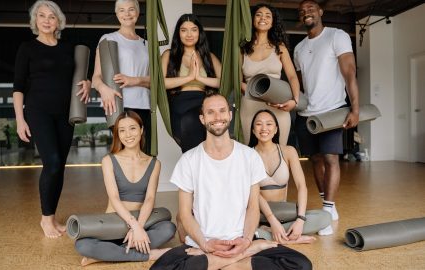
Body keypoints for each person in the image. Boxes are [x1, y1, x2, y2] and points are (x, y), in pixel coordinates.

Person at [151, 92, 312, 270]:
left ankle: (218, 262)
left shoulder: (249, 156)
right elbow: (184, 214)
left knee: (302, 264)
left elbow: (252, 206)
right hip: (202, 242)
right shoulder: (189, 160)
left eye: (222, 111)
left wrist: (247, 241)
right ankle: (238, 260)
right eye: (210, 112)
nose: (217, 117)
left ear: (230, 115)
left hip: (242, 240)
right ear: (202, 119)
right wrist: (205, 245)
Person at [13, 0, 91, 238]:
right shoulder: (27, 48)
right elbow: (18, 88)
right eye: (42, 16)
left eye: (51, 16)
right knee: (53, 162)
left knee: (59, 168)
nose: (46, 20)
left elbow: (78, 75)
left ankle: (53, 216)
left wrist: (87, 83)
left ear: (59, 21)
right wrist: (20, 120)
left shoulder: (67, 48)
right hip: (38, 111)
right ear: (35, 21)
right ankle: (46, 219)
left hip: (64, 114)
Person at [75, 111, 176, 266]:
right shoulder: (108, 161)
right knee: (82, 245)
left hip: (142, 220)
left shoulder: (154, 163)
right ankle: (148, 254)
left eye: (132, 128)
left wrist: (139, 226)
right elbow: (114, 198)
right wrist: (133, 225)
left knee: (168, 228)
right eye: (122, 130)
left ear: (141, 130)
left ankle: (107, 255)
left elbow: (150, 198)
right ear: (118, 134)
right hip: (115, 222)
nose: (127, 134)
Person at [294, 0, 360, 235]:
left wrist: (355, 108)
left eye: (311, 8)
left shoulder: (337, 36)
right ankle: (327, 205)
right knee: (315, 160)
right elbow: (299, 84)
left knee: (331, 158)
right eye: (302, 11)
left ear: (321, 12)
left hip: (332, 110)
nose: (306, 13)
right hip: (306, 113)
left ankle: (328, 209)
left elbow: (349, 71)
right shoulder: (299, 48)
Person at [248, 110, 331, 241]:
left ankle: (266, 235)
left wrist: (300, 220)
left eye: (269, 124)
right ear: (253, 130)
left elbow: (301, 186)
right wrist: (272, 220)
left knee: (325, 217)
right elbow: (254, 193)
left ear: (275, 129)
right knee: (237, 224)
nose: (264, 128)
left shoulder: (288, 151)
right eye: (259, 124)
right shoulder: (248, 155)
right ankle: (290, 239)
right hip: (259, 214)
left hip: (284, 212)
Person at [92, 0, 152, 154]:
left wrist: (135, 80)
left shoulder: (146, 44)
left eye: (131, 9)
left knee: (144, 153)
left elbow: (155, 81)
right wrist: (103, 89)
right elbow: (96, 77)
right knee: (122, 153)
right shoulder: (108, 39)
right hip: (119, 105)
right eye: (122, 10)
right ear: (117, 14)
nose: (127, 14)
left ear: (137, 13)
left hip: (144, 106)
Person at [240, 4, 301, 146]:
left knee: (279, 150)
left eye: (268, 16)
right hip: (250, 104)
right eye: (259, 14)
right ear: (252, 19)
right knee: (251, 152)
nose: (263, 18)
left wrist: (295, 101)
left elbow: (292, 76)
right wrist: (256, 92)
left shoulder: (280, 47)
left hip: (277, 104)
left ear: (273, 22)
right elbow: (237, 81)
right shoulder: (242, 48)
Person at [161, 14, 222, 153]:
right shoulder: (168, 55)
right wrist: (189, 77)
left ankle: (194, 170)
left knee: (198, 130)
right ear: (178, 33)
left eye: (194, 29)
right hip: (179, 104)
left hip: (203, 104)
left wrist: (199, 77)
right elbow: (162, 83)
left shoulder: (209, 57)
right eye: (184, 30)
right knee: (188, 123)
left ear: (199, 33)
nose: (189, 34)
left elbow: (223, 82)